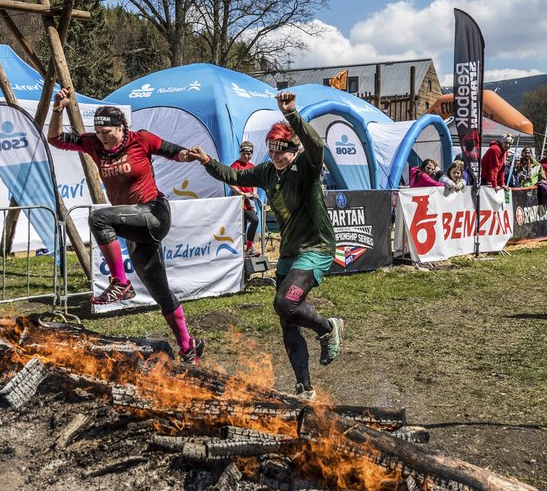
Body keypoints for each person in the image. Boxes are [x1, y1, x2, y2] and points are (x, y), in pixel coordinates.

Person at [188, 91, 342, 401]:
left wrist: (292, 114)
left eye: (280, 152)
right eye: (270, 151)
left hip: (316, 248)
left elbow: (317, 146)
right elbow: (235, 174)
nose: (274, 157)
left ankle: (327, 328)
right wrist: (207, 162)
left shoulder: (306, 168)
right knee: (287, 319)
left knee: (286, 303)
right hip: (289, 253)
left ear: (292, 149)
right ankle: (304, 387)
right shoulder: (268, 171)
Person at [47, 87, 204, 364]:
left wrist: (188, 155)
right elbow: (56, 139)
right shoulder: (93, 144)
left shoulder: (140, 139)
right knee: (160, 292)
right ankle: (188, 347)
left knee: (99, 217)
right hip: (134, 226)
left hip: (154, 213)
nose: (103, 138)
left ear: (122, 129)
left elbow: (172, 151)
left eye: (108, 132)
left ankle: (120, 282)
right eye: (99, 132)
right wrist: (58, 108)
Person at [231, 141, 261, 256]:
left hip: (249, 201)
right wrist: (240, 192)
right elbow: (229, 181)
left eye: (249, 154)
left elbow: (254, 182)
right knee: (250, 222)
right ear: (240, 153)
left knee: (251, 222)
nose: (247, 156)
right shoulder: (235, 165)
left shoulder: (252, 166)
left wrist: (254, 192)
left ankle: (247, 248)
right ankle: (246, 248)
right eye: (244, 154)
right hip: (238, 200)